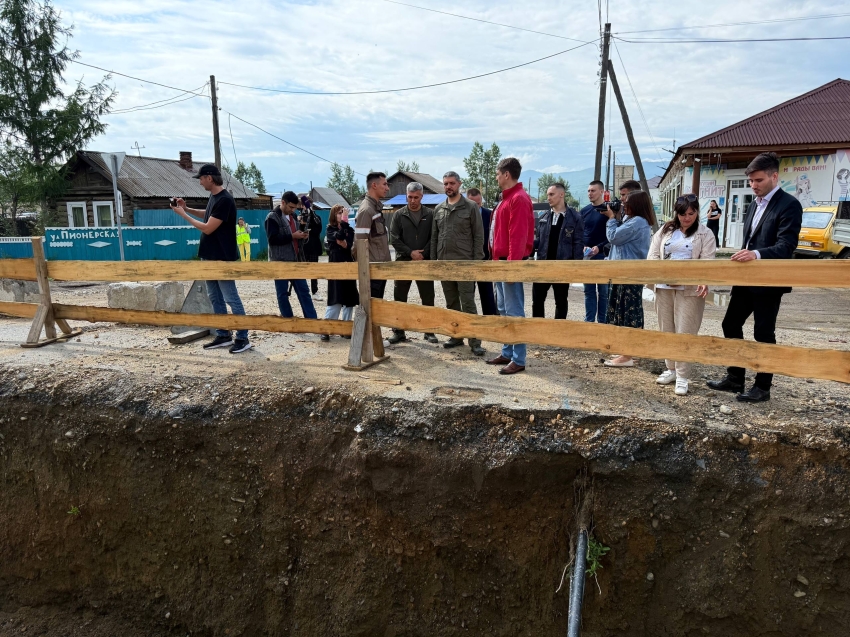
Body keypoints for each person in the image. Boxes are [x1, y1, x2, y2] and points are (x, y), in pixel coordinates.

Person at [707, 152, 803, 402]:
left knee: (763, 333)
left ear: (774, 176)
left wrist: (756, 254)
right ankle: (735, 378)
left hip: (769, 281)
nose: (753, 185)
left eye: (758, 180)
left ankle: (763, 387)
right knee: (730, 324)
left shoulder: (789, 204)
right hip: (745, 279)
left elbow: (786, 246)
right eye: (750, 180)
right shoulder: (753, 204)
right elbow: (750, 239)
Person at [170, 164, 251, 353]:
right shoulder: (215, 197)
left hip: (221, 257)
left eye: (201, 178)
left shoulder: (225, 200)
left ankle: (243, 337)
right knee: (215, 297)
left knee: (231, 297)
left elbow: (207, 227)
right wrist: (187, 208)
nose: (200, 182)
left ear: (209, 178)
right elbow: (208, 215)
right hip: (210, 255)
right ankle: (223, 334)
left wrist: (183, 215)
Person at [647, 194, 716, 395]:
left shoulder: (705, 234)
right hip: (664, 286)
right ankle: (671, 369)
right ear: (676, 214)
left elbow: (707, 261)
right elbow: (653, 255)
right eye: (683, 214)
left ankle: (683, 375)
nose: (687, 218)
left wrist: (702, 279)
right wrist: (663, 274)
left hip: (689, 288)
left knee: (686, 330)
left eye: (691, 214)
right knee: (666, 329)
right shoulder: (666, 230)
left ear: (697, 213)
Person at [485, 157, 535, 375]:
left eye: (498, 174)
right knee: (504, 309)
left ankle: (519, 358)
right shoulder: (507, 198)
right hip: (500, 261)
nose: (496, 178)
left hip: (508, 262)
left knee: (514, 311)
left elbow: (518, 235)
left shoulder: (519, 199)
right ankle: (507, 351)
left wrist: (512, 268)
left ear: (506, 174)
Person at [431, 171, 486, 356]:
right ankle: (456, 336)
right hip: (444, 263)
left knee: (468, 303)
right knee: (451, 302)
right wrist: (434, 262)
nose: (448, 186)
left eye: (452, 183)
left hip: (465, 264)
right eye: (446, 183)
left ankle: (475, 341)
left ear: (459, 184)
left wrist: (476, 262)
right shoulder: (439, 209)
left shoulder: (470, 207)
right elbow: (434, 237)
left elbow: (478, 235)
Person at [601, 190, 653, 367]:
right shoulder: (632, 220)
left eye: (626, 202)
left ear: (636, 205)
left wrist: (611, 218)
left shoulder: (638, 222)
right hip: (623, 273)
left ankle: (627, 355)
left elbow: (614, 237)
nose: (623, 204)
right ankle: (627, 350)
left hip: (629, 274)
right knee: (623, 312)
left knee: (628, 313)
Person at [388, 182, 438, 344]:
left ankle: (429, 331)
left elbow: (434, 237)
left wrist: (423, 253)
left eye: (416, 197)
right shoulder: (399, 215)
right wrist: (410, 253)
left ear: (422, 196)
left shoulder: (430, 214)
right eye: (410, 197)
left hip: (424, 261)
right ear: (406, 196)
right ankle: (398, 331)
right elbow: (394, 238)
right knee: (400, 297)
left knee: (428, 297)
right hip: (403, 262)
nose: (413, 200)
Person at [532, 183, 583, 319]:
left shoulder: (575, 217)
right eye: (548, 195)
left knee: (560, 301)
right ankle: (538, 328)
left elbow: (578, 243)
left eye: (551, 194)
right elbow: (539, 242)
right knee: (537, 301)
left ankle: (559, 329)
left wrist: (577, 267)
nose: (548, 198)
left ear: (561, 194)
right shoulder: (544, 217)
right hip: (543, 265)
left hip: (562, 266)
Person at [265, 191, 317, 321]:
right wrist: (292, 236)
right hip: (279, 262)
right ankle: (288, 322)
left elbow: (297, 239)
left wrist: (303, 236)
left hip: (296, 260)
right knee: (282, 294)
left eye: (295, 207)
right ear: (283, 202)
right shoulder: (272, 217)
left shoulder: (293, 216)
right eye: (291, 207)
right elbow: (272, 239)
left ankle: (312, 322)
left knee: (304, 292)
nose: (293, 210)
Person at [322, 204, 359, 341]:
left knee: (349, 298)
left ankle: (346, 328)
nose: (342, 215)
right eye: (339, 213)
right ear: (334, 215)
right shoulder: (329, 229)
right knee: (335, 297)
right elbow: (338, 237)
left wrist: (343, 239)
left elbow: (347, 244)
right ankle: (326, 329)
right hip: (335, 264)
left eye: (343, 213)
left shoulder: (349, 229)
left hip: (347, 263)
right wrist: (342, 229)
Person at [355, 172, 391, 300]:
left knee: (377, 307)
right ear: (374, 185)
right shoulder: (367, 210)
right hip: (371, 270)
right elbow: (359, 243)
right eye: (385, 184)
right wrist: (363, 270)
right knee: (370, 307)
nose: (387, 188)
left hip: (379, 268)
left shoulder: (375, 208)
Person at [465, 187, 498, 316]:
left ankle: (490, 320)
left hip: (485, 260)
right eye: (473, 203)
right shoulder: (462, 215)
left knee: (487, 294)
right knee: (468, 295)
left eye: (478, 203)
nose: (476, 206)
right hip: (467, 260)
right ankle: (469, 319)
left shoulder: (489, 215)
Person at [580, 180, 609, 323]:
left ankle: (602, 322)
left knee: (603, 292)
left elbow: (613, 235)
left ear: (601, 192)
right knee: (588, 291)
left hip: (603, 256)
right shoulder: (584, 211)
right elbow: (579, 233)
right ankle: (589, 322)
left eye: (593, 191)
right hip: (587, 257)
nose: (590, 193)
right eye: (588, 191)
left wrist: (600, 247)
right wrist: (583, 246)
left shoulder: (608, 211)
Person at [299, 195, 324, 301]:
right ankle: (303, 292)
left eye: (305, 205)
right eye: (302, 205)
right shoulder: (299, 217)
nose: (303, 207)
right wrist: (301, 222)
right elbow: (298, 230)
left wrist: (309, 223)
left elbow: (318, 230)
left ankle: (315, 291)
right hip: (303, 247)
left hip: (313, 246)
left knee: (314, 269)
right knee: (302, 269)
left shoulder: (316, 217)